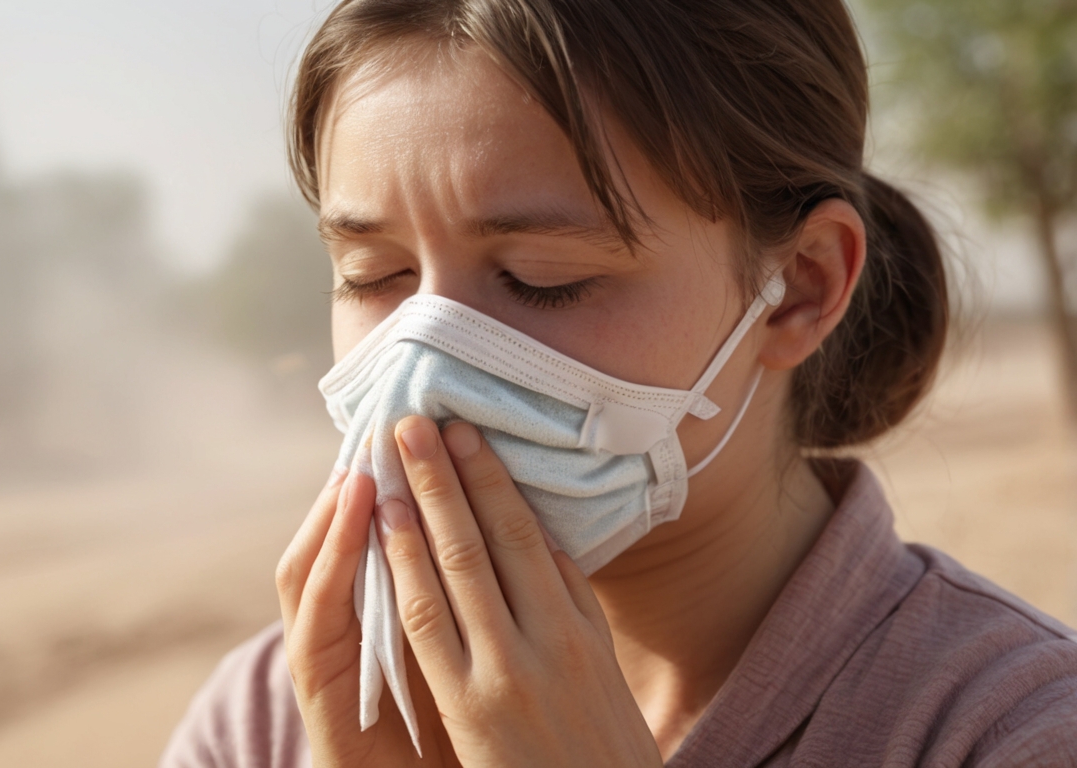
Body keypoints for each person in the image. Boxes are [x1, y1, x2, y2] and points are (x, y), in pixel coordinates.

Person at [161, 1, 1077, 765]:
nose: (425, 366)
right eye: (373, 276)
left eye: (542, 277)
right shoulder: (268, 723)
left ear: (799, 288)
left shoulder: (1009, 732)